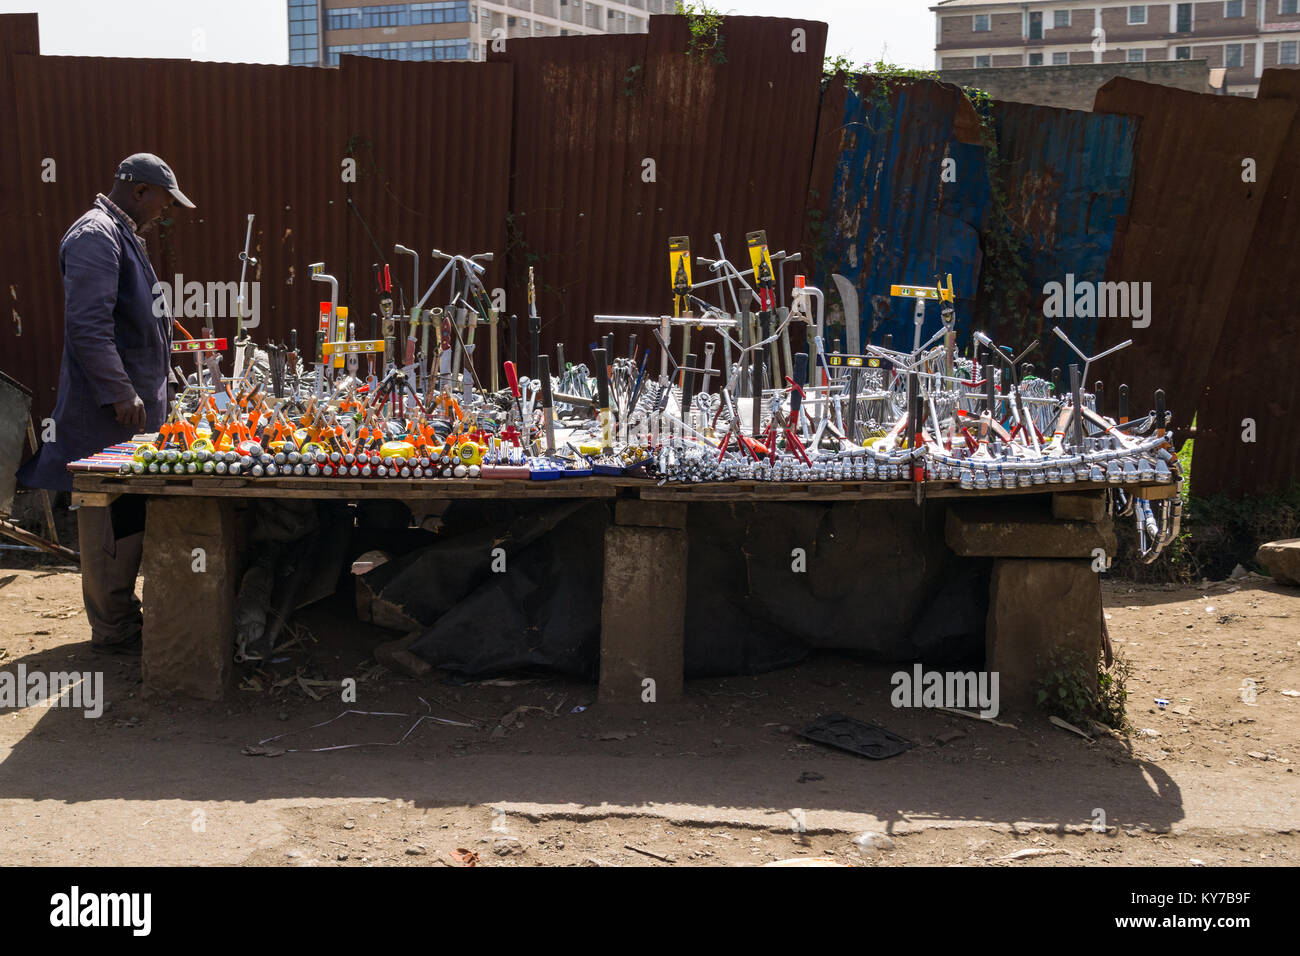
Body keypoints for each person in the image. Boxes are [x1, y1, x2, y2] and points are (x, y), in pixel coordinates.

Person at [17, 153, 195, 655]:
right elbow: (89, 328)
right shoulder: (95, 236)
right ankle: (113, 627)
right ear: (139, 191)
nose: (166, 211)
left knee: (128, 513)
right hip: (107, 416)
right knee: (105, 516)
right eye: (163, 200)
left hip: (132, 418)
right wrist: (121, 392)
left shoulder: (121, 235)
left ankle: (122, 618)